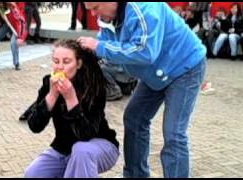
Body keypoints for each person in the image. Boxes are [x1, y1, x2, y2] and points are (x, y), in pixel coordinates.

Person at [78, 2, 206, 178]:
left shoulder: (144, 8)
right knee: (134, 118)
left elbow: (145, 51)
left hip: (184, 67)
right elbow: (108, 45)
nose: (93, 14)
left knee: (174, 133)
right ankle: (135, 175)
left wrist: (99, 47)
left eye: (95, 7)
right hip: (155, 71)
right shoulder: (108, 17)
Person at [22, 40, 119, 178]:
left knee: (81, 151)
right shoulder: (48, 82)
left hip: (99, 145)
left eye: (66, 62)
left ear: (78, 64)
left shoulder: (93, 86)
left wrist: (71, 98)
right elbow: (34, 126)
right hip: (64, 149)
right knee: (33, 174)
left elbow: (86, 134)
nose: (60, 67)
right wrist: (52, 95)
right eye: (56, 61)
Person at [0, 2, 28, 70]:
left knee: (13, 42)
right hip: (8, 23)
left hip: (17, 24)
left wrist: (20, 38)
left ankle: (16, 63)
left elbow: (20, 22)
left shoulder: (13, 7)